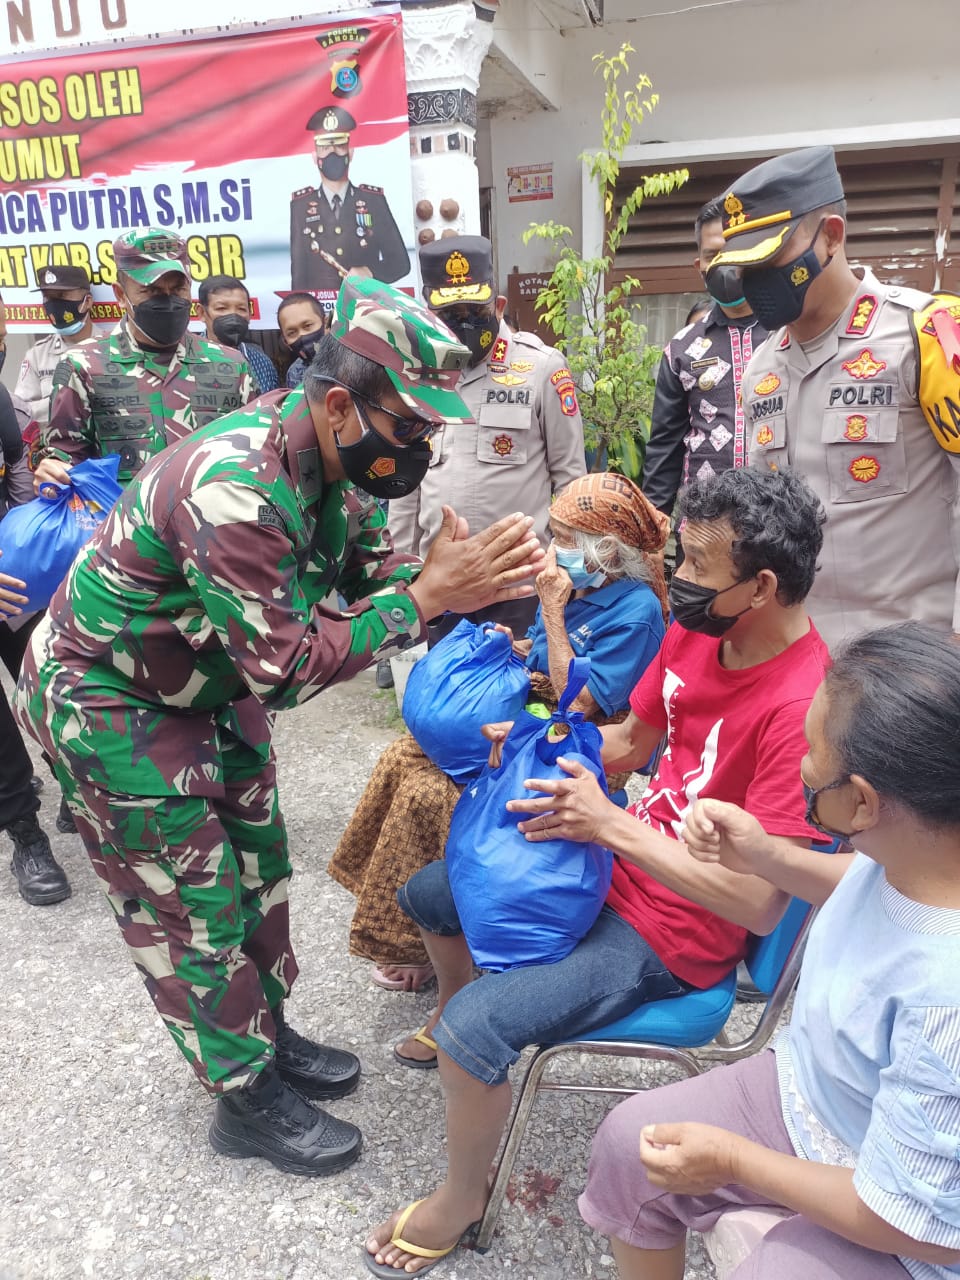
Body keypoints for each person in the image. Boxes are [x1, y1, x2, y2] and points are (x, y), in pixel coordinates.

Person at [15, 276, 546, 1179]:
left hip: (205, 680)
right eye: (412, 426)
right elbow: (290, 667)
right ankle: (242, 1098)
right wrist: (423, 600)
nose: (422, 446)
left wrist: (455, 587)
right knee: (192, 900)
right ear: (340, 405)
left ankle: (265, 1031)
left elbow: (373, 581)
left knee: (259, 868)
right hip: (110, 697)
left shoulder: (341, 466)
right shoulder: (235, 486)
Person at [363, 466, 830, 1275]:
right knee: (431, 895)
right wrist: (538, 742)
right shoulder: (701, 631)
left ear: (760, 586)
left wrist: (611, 825)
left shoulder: (801, 705)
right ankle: (459, 1028)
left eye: (697, 566)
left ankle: (463, 1197)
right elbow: (630, 743)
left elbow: (757, 904)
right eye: (681, 556)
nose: (677, 579)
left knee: (476, 1030)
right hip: (622, 861)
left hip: (678, 931)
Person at [580, 621, 960, 1280]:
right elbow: (857, 882)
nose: (802, 767)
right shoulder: (919, 850)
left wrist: (734, 1161)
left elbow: (910, 1218)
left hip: (908, 1214)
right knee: (629, 1143)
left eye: (813, 754)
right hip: (818, 1095)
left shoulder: (943, 997)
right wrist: (763, 854)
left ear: (863, 803)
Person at [328, 472, 669, 995]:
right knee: (402, 756)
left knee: (429, 793)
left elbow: (578, 700)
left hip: (576, 747)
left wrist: (551, 610)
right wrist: (510, 645)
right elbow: (537, 652)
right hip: (528, 720)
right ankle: (413, 927)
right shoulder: (574, 585)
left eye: (565, 539)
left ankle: (441, 942)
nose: (554, 549)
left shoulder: (634, 611)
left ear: (605, 551)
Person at [707, 144, 960, 649]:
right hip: (801, 656)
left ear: (831, 236)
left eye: (771, 258)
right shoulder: (762, 369)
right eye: (745, 266)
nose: (757, 280)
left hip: (914, 655)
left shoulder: (924, 335)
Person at [388, 234, 586, 642]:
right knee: (444, 681)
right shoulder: (417, 377)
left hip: (520, 585)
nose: (464, 322)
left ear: (497, 305)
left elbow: (570, 478)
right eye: (450, 314)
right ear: (428, 314)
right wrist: (402, 575)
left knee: (524, 680)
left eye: (475, 311)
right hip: (440, 585)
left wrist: (570, 570)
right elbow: (406, 489)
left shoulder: (541, 368)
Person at [34, 229, 260, 492]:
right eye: (152, 290)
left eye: (178, 289)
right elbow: (65, 457)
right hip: (120, 516)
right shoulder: (82, 366)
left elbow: (258, 454)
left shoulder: (231, 366)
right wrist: (52, 474)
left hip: (211, 516)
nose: (168, 300)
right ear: (121, 295)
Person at [642, 199, 769, 522]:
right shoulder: (682, 349)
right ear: (699, 265)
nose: (725, 263)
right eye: (714, 255)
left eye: (735, 250)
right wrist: (653, 529)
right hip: (703, 527)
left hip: (777, 526)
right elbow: (665, 448)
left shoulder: (787, 334)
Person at [0, 384, 68, 906]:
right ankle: (26, 834)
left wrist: (34, 528)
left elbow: (18, 472)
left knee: (54, 686)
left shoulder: (2, 400)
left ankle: (79, 790)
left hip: (10, 573)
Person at [289, 105, 410, 292]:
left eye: (339, 145)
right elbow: (299, 275)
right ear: (314, 156)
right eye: (324, 147)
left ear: (350, 152)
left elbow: (400, 263)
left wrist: (369, 271)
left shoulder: (373, 201)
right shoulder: (301, 206)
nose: (333, 153)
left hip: (365, 304)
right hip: (322, 307)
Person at [13, 265, 95, 426]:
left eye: (61, 296)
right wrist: (64, 401)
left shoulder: (113, 347)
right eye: (47, 298)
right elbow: (22, 413)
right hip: (56, 440)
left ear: (87, 301)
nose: (54, 304)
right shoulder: (37, 356)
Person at [197, 274, 279, 392]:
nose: (233, 315)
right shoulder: (183, 360)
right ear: (202, 313)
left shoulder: (262, 363)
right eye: (221, 308)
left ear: (249, 314)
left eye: (241, 309)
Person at [279, 292, 330, 389]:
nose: (302, 335)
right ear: (286, 342)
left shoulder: (353, 359)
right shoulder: (295, 373)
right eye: (292, 333)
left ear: (326, 324)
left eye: (307, 326)